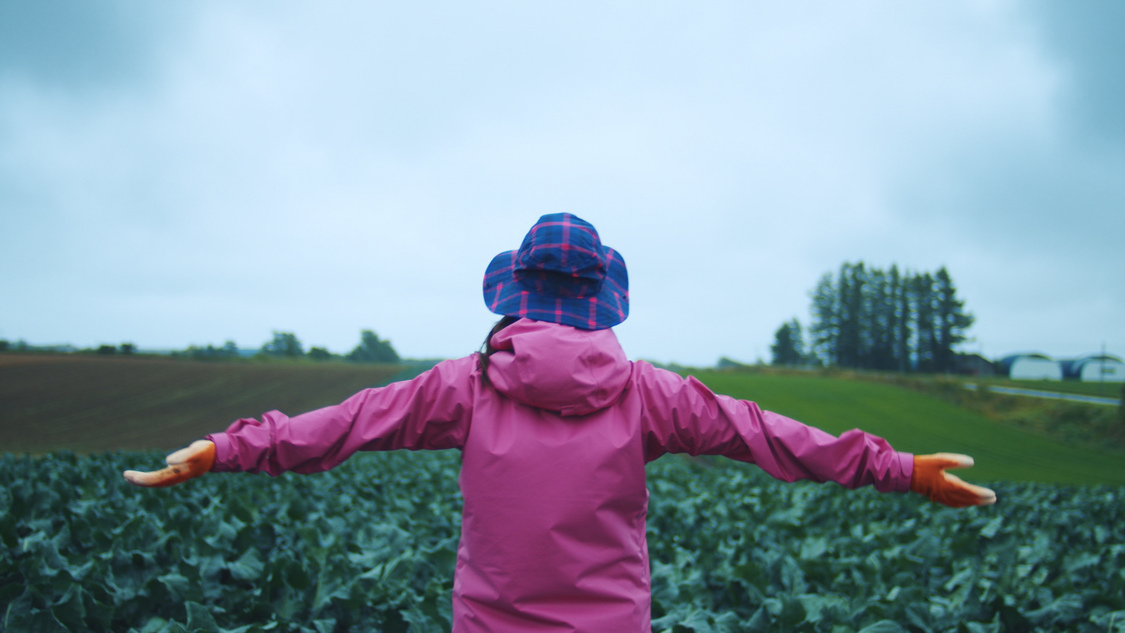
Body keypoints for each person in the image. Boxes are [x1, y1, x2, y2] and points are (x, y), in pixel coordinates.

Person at [124, 213, 996, 632]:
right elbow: (771, 435)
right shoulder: (651, 392)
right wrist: (900, 467)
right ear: (599, 303)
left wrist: (225, 447)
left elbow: (342, 424)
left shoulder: (462, 384)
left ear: (515, 293)